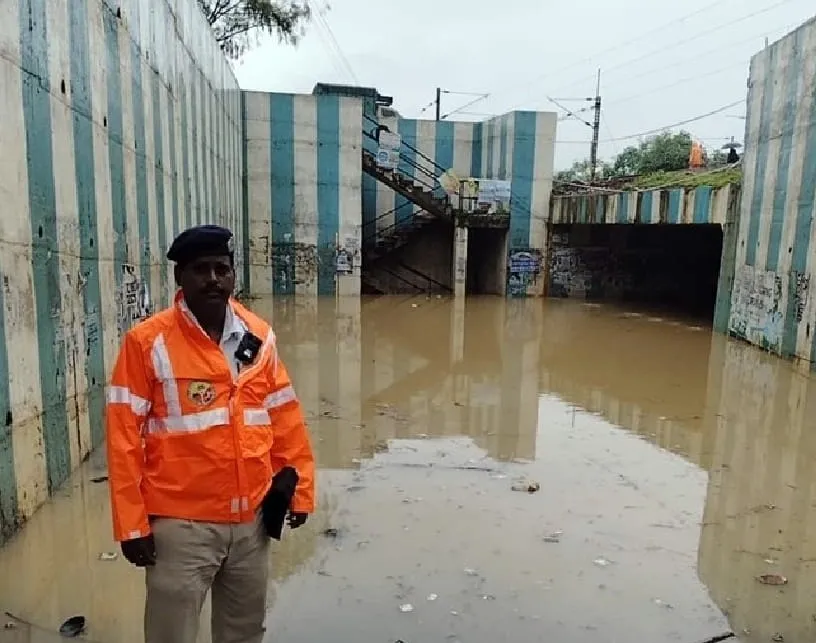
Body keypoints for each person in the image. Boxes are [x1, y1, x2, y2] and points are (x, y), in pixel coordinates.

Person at [105, 224, 315, 643]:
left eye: (222, 269)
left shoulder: (259, 337)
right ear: (180, 277)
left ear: (234, 274)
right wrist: (131, 525)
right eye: (201, 270)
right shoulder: (147, 344)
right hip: (182, 527)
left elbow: (284, 417)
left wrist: (301, 489)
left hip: (252, 523)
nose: (214, 279)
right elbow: (123, 439)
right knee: (171, 635)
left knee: (244, 632)